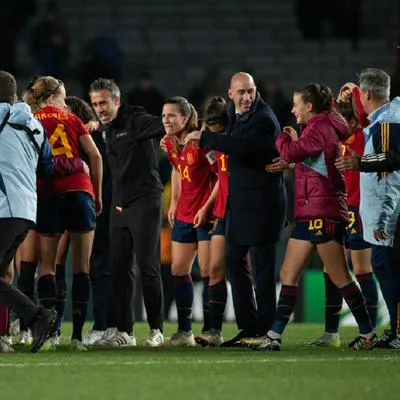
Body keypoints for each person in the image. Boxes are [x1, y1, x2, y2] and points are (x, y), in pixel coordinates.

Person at [254, 83, 376, 351]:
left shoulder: (320, 127)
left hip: (324, 212)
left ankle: (368, 334)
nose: (293, 109)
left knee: (340, 276)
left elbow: (290, 152)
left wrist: (284, 135)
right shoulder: (320, 125)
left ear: (309, 107)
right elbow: (306, 160)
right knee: (288, 272)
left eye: (296, 104)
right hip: (311, 212)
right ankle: (274, 336)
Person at [185, 72, 287, 345]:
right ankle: (249, 325)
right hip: (241, 204)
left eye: (251, 91)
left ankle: (265, 331)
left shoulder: (264, 119)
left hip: (264, 204)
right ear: (231, 94)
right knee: (233, 261)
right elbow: (219, 125)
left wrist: (206, 139)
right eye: (241, 92)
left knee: (263, 269)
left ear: (256, 91)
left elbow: (243, 148)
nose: (246, 97)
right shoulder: (233, 113)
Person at [24, 76, 103, 351]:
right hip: (81, 192)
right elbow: (95, 156)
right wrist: (98, 193)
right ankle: (78, 337)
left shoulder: (32, 119)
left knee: (47, 266)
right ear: (55, 95)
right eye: (64, 96)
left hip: (49, 194)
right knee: (82, 268)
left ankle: (48, 335)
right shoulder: (73, 120)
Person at [89, 78, 165, 347]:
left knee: (147, 266)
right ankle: (125, 331)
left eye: (104, 103)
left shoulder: (136, 120)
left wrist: (183, 129)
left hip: (146, 200)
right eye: (95, 104)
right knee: (119, 268)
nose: (100, 108)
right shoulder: (105, 128)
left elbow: (164, 124)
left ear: (117, 101)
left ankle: (157, 329)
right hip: (120, 204)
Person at [335, 69, 400, 348]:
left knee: (384, 263)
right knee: (385, 264)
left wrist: (360, 163)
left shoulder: (388, 122)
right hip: (386, 207)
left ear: (368, 95)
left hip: (389, 208)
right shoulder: (385, 118)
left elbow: (394, 157)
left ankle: (397, 333)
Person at [0, 70, 63, 353]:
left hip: (3, 207)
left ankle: (38, 316)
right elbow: (47, 167)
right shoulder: (35, 126)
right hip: (27, 210)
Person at [309, 99, 378, 348]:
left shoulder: (362, 137)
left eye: (342, 121)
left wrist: (357, 92)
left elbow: (367, 116)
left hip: (358, 210)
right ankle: (331, 332)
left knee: (361, 269)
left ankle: (370, 331)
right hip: (338, 210)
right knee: (332, 270)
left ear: (353, 122)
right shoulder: (337, 142)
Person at [162, 97, 217, 346]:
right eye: (164, 116)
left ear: (185, 119)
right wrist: (174, 201)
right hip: (184, 214)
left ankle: (212, 331)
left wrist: (207, 208)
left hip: (206, 216)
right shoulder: (171, 144)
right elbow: (176, 170)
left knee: (208, 272)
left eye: (171, 115)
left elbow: (220, 176)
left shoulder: (202, 143)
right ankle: (185, 332)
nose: (166, 120)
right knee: (178, 270)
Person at [64, 95, 116, 346]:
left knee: (97, 267)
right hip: (76, 204)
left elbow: (103, 170)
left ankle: (102, 325)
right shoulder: (72, 138)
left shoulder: (94, 136)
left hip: (97, 207)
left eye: (67, 111)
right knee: (82, 267)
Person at [194, 96, 229, 347]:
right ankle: (213, 330)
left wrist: (208, 206)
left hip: (235, 210)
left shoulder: (232, 142)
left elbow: (223, 180)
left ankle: (259, 327)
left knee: (237, 271)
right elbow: (219, 178)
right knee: (212, 270)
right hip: (220, 211)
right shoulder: (211, 147)